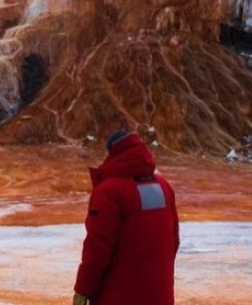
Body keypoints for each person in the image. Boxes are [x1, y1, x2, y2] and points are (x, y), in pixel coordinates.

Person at [73, 130, 180, 305]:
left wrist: (82, 290)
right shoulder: (163, 187)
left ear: (113, 152)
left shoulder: (109, 192)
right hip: (160, 295)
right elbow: (173, 242)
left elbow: (97, 250)